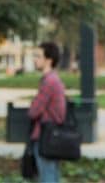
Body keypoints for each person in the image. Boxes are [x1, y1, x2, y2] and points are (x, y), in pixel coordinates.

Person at [28, 42, 66, 183]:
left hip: (45, 137)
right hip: (52, 136)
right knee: (51, 176)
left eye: (38, 56)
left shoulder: (49, 82)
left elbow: (34, 111)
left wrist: (33, 106)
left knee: (47, 177)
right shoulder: (53, 79)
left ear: (49, 60)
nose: (35, 59)